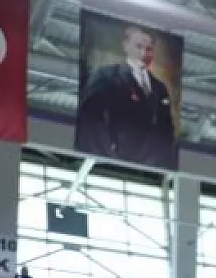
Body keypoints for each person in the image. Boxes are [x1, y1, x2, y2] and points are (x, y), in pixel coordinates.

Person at [74, 23, 177, 170]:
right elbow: (89, 117)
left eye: (148, 49)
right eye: (138, 47)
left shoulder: (160, 88)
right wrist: (107, 152)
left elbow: (166, 130)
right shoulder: (106, 76)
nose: (143, 53)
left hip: (149, 163)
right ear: (126, 46)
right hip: (113, 156)